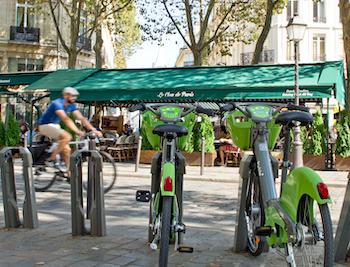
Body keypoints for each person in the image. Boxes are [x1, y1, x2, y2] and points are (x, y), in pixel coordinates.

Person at [38, 87, 102, 171]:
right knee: (67, 137)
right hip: (45, 125)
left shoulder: (71, 105)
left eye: (75, 96)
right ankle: (50, 159)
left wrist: (93, 129)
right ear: (65, 95)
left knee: (67, 149)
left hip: (55, 126)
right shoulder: (57, 103)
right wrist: (78, 132)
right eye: (72, 96)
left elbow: (81, 118)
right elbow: (66, 119)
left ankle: (68, 174)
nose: (74, 98)